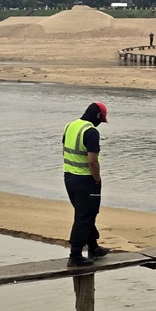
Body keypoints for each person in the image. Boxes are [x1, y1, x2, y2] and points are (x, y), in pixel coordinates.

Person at [63, 101, 110, 266]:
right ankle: (75, 254)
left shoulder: (70, 126)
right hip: (86, 180)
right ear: (97, 116)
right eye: (101, 120)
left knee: (85, 213)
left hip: (69, 177)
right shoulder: (91, 132)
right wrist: (97, 179)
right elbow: (92, 161)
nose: (100, 123)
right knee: (85, 217)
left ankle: (94, 247)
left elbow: (64, 150)